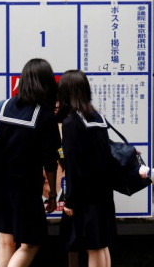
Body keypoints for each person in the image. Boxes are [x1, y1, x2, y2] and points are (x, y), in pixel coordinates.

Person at [0, 58, 60, 267]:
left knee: (6, 242)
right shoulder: (44, 115)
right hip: (23, 188)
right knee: (31, 242)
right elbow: (50, 161)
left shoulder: (5, 105)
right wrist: (52, 193)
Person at [58, 70, 117, 267]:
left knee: (94, 246)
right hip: (104, 193)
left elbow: (74, 165)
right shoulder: (97, 117)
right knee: (102, 245)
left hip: (86, 197)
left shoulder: (72, 122)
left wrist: (70, 200)